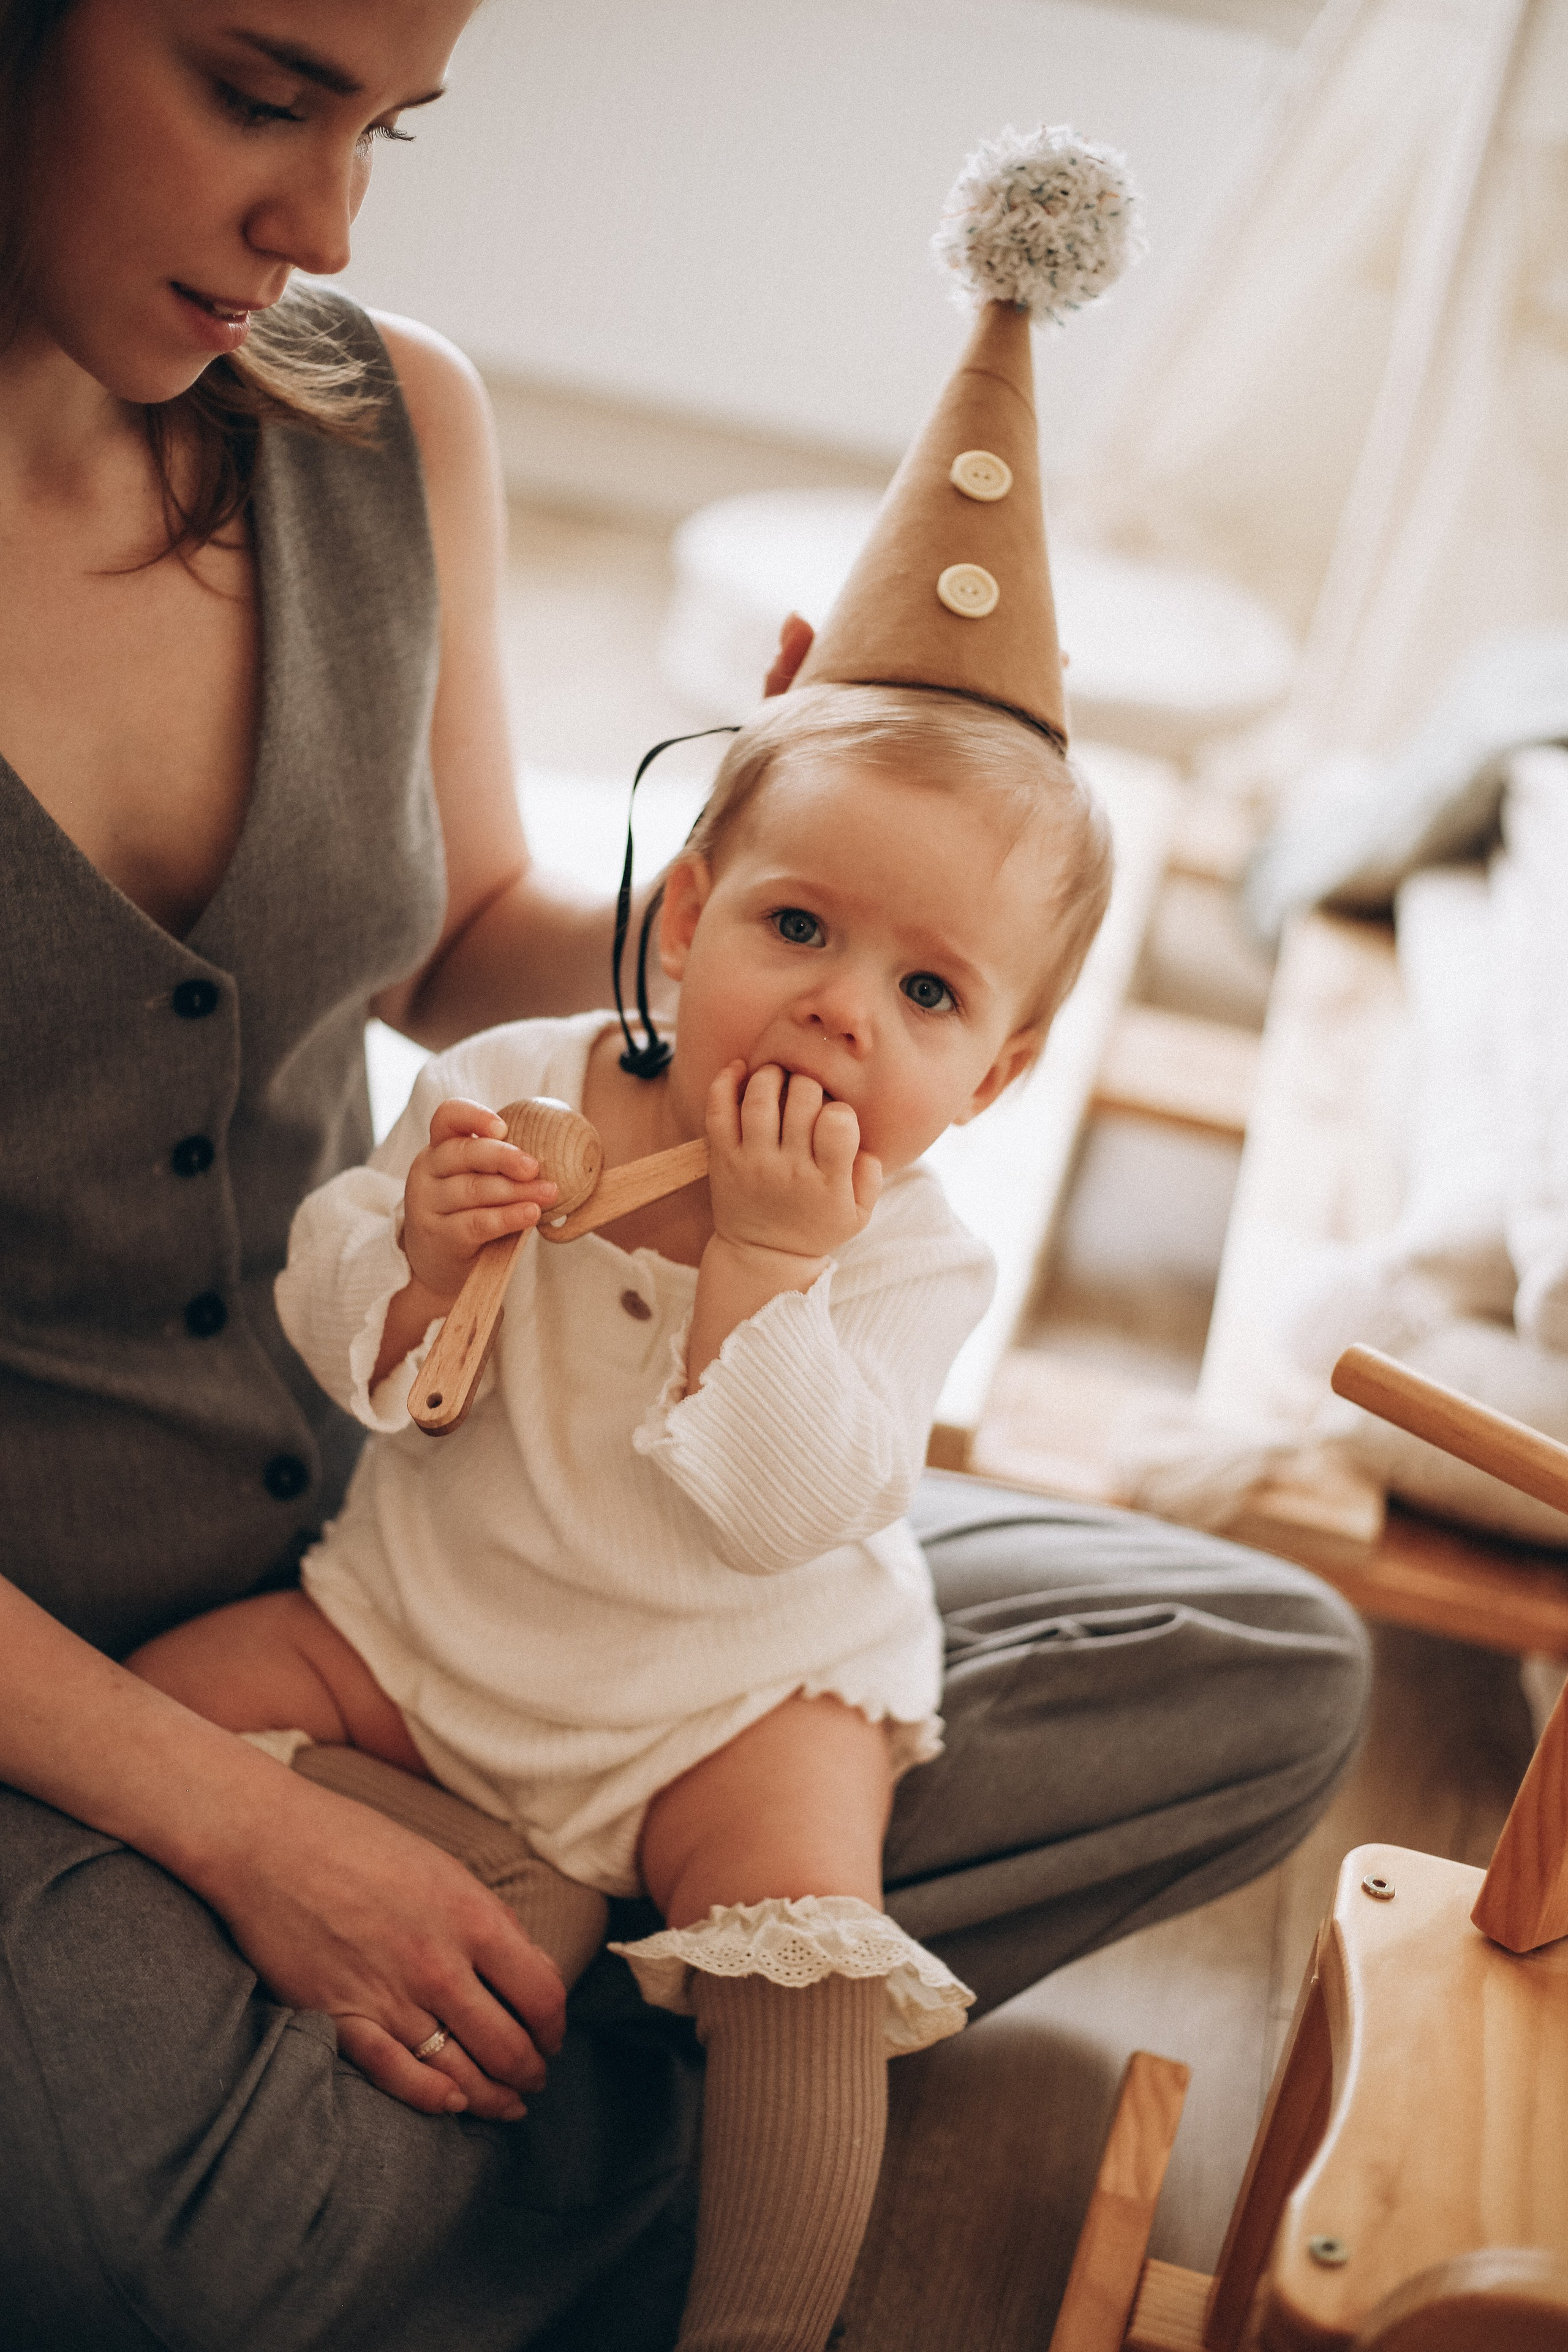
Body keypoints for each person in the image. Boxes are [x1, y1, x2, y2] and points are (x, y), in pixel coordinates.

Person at [0, 9, 1370, 2346]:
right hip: (99, 1642)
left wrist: (803, 883)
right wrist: (238, 1828)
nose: (323, 225)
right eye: (258, 95)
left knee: (1260, 1663)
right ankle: (636, 2010)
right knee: (143, 2223)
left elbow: (455, 945)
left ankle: (535, 1990)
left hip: (513, 1488)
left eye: (390, 126)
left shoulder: (382, 420)